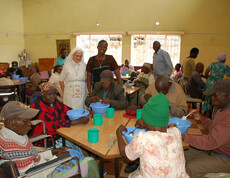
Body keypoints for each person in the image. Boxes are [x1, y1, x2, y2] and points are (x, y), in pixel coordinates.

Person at [0, 101, 99, 178]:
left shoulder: (13, 134)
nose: (30, 123)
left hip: (39, 167)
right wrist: (57, 159)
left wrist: (53, 152)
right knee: (89, 162)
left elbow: (34, 157)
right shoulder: (13, 147)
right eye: (25, 121)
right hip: (41, 174)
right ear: (11, 122)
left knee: (70, 153)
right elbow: (32, 175)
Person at [116, 93, 189, 178]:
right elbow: (163, 128)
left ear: (147, 121)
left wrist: (118, 133)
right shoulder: (176, 132)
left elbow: (126, 156)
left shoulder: (143, 138)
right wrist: (148, 123)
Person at [184, 79, 230, 178]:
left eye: (215, 95)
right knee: (182, 153)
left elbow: (210, 142)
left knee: (193, 168)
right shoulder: (222, 109)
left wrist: (185, 138)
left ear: (228, 97)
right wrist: (202, 119)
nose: (212, 98)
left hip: (225, 157)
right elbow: (216, 127)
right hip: (215, 150)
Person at [30, 82, 89, 152]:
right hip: (45, 140)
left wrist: (84, 113)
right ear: (43, 94)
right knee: (73, 149)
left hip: (59, 134)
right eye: (49, 94)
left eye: (55, 93)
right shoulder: (37, 105)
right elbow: (51, 125)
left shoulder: (53, 101)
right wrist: (77, 121)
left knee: (77, 143)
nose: (53, 96)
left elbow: (65, 109)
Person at [203, 53, 230, 117]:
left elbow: (206, 72)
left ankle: (207, 115)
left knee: (208, 99)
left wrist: (209, 78)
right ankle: (215, 116)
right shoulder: (225, 67)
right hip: (219, 84)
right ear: (224, 60)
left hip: (210, 83)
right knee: (218, 99)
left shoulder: (212, 64)